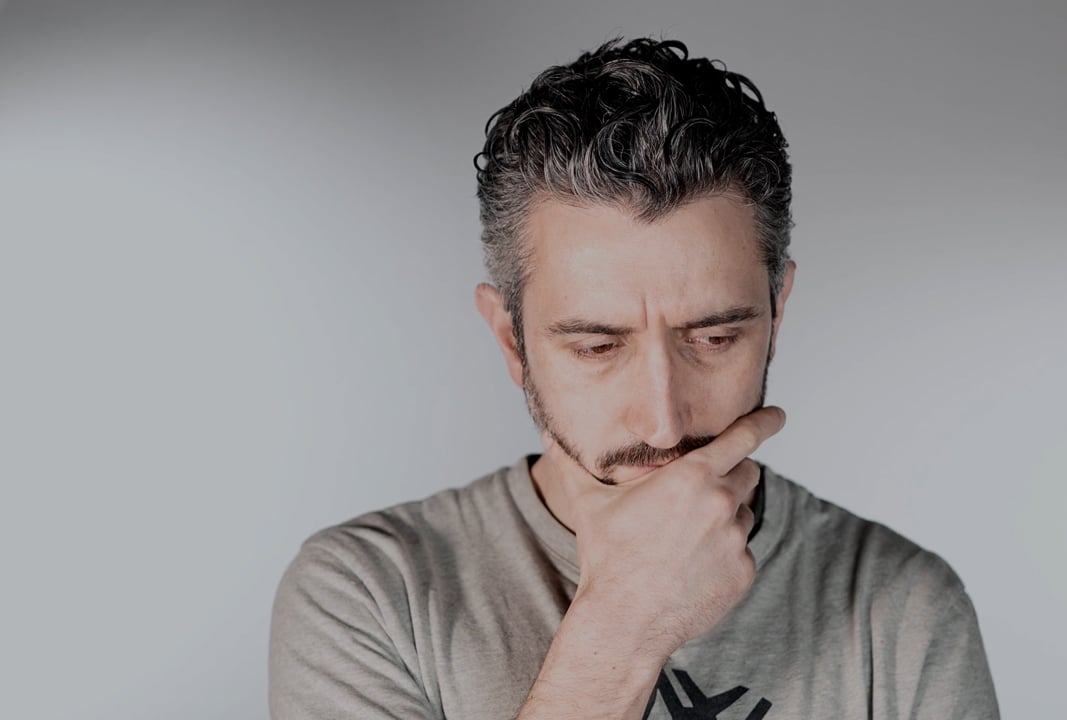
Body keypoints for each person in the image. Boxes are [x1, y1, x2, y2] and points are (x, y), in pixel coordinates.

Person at [268, 37, 1000, 720]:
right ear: (511, 341)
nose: (663, 421)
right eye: (597, 346)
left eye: (715, 338)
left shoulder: (903, 606)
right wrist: (623, 626)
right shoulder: (369, 592)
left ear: (777, 314)